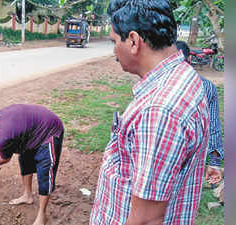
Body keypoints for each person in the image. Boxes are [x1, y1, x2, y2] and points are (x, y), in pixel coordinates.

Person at [90, 1, 210, 225]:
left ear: (134, 41)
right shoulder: (181, 76)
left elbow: (146, 220)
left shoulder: (159, 111)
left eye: (115, 42)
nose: (114, 52)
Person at [0, 104, 64, 225]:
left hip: (49, 131)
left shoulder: (4, 133)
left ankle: (42, 215)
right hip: (32, 133)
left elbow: (4, 159)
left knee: (45, 173)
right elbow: (1, 143)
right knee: (25, 161)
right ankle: (27, 196)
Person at [176, 40, 224, 184]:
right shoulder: (207, 87)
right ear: (189, 58)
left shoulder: (157, 85)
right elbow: (213, 126)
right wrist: (214, 162)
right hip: (191, 160)